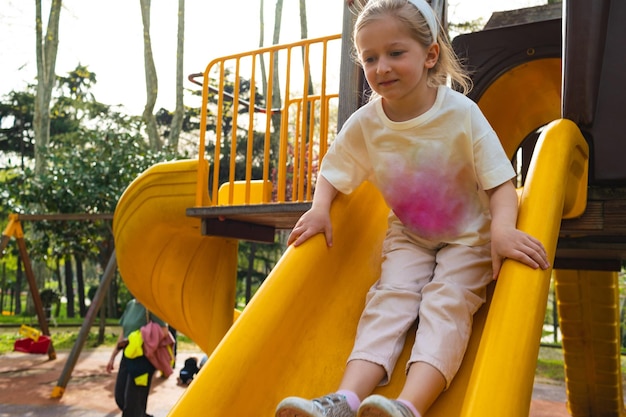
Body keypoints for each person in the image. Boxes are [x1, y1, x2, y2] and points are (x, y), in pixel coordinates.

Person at [275, 1, 550, 417]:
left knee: (446, 303)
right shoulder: (367, 122)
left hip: (469, 236)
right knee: (389, 300)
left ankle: (409, 406)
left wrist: (503, 230)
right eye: (370, 58)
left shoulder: (461, 114)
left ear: (430, 55)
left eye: (395, 53)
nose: (381, 66)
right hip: (410, 235)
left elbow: (500, 183)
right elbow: (334, 169)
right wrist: (319, 208)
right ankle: (344, 401)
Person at [106, 298, 169, 417]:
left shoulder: (151, 305)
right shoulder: (130, 304)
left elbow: (164, 331)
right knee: (120, 398)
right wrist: (113, 357)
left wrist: (141, 337)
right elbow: (124, 334)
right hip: (127, 356)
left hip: (143, 359)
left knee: (132, 405)